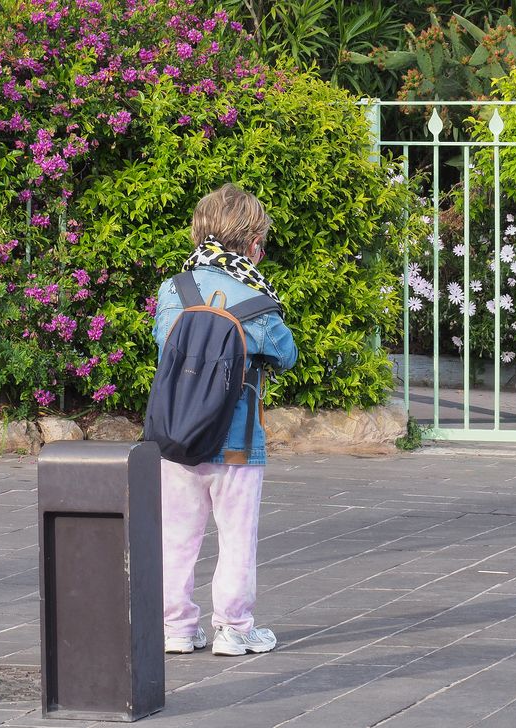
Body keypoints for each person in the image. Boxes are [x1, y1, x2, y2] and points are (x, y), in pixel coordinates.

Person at [152, 183, 298, 656]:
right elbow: (286, 355)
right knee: (237, 538)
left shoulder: (174, 289)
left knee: (175, 536)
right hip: (236, 441)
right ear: (254, 244)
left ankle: (175, 628)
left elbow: (164, 344)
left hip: (174, 436)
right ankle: (234, 629)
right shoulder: (258, 302)